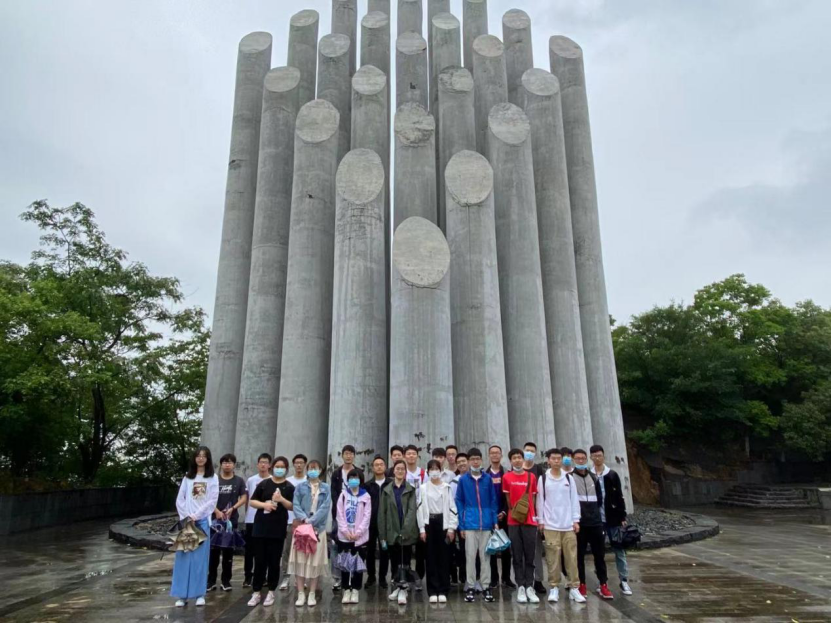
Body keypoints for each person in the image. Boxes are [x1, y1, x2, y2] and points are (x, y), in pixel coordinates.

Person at [171, 446, 219, 608]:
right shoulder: (188, 477)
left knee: (200, 560)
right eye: (198, 455)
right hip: (187, 523)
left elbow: (212, 501)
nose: (200, 458)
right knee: (183, 558)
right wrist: (186, 516)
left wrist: (196, 516)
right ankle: (182, 595)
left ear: (208, 459)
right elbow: (180, 499)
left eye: (204, 456)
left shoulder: (212, 478)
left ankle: (199, 594)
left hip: (202, 522)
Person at [536, 448, 585, 604]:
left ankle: (574, 587)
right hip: (550, 525)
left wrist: (575, 520)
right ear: (548, 461)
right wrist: (541, 521)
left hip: (568, 525)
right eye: (553, 458)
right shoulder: (543, 479)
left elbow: (574, 499)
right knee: (553, 558)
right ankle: (554, 587)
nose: (556, 461)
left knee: (572, 558)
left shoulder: (568, 478)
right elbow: (540, 501)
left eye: (559, 458)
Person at [247, 456, 295, 607]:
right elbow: (252, 501)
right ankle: (256, 592)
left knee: (274, 561)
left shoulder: (289, 487)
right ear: (272, 467)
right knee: (259, 560)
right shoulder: (264, 484)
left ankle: (271, 591)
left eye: (282, 467)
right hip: (261, 527)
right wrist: (264, 505)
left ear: (286, 469)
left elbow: (293, 506)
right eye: (277, 466)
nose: (279, 469)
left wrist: (281, 500)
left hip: (278, 528)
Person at [456, 448, 499, 603]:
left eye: (477, 459)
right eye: (472, 459)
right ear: (469, 461)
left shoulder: (487, 479)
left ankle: (486, 586)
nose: (475, 461)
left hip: (486, 524)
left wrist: (494, 521)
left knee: (485, 557)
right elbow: (459, 501)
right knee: (470, 557)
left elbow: (493, 501)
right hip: (470, 523)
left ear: (481, 460)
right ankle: (471, 586)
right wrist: (462, 525)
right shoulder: (463, 480)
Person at [590, 444, 632, 596]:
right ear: (591, 457)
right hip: (597, 520)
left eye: (599, 455)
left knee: (619, 550)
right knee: (598, 553)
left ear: (604, 456)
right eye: (594, 456)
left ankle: (624, 580)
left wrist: (622, 516)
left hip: (613, 518)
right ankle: (602, 581)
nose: (597, 458)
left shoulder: (612, 475)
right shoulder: (589, 475)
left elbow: (619, 496)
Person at [289, 460, 331, 608]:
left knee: (315, 561)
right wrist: (304, 519)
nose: (313, 470)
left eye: (315, 468)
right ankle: (301, 593)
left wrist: (312, 521)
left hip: (318, 529)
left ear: (320, 470)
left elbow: (325, 507)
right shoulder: (300, 487)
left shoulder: (325, 487)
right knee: (300, 560)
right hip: (302, 528)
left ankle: (312, 592)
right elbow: (296, 504)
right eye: (310, 468)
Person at [378, 460, 420, 606]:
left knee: (405, 562)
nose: (400, 471)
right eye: (398, 469)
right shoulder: (386, 490)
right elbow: (382, 514)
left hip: (406, 532)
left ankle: (404, 589)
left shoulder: (410, 489)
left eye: (403, 469)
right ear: (393, 471)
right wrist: (383, 536)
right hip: (391, 532)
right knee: (395, 562)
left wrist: (405, 530)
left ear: (405, 472)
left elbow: (412, 511)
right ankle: (397, 587)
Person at [572, 449, 612, 599]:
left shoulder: (593, 477)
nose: (581, 461)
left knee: (599, 555)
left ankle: (603, 584)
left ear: (586, 459)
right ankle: (581, 584)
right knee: (579, 556)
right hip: (580, 523)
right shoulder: (570, 478)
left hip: (595, 522)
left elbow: (600, 499)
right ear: (574, 460)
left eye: (583, 458)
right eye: (578, 459)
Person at [417, 459, 458, 603]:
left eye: (436, 468)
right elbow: (420, 509)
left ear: (441, 471)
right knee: (430, 557)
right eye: (431, 469)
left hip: (443, 524)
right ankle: (432, 590)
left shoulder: (446, 487)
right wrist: (422, 529)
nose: (434, 471)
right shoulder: (423, 488)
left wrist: (451, 528)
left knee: (444, 557)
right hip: (429, 523)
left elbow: (452, 508)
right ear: (428, 471)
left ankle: (443, 589)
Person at [503, 448, 539, 603]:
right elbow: (508, 499)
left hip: (530, 521)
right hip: (514, 521)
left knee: (530, 555)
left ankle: (530, 585)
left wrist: (531, 514)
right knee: (517, 555)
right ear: (510, 461)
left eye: (519, 457)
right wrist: (516, 512)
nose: (517, 460)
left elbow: (534, 499)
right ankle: (521, 586)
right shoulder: (506, 477)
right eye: (514, 458)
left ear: (523, 459)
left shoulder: (531, 477)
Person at [208, 453, 247, 593]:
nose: (227, 465)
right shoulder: (214, 480)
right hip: (214, 521)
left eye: (230, 462)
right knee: (213, 552)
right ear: (221, 464)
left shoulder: (239, 481)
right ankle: (211, 581)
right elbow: (208, 498)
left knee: (228, 552)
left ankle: (226, 581)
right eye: (224, 462)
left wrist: (233, 508)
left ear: (234, 465)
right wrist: (216, 511)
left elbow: (244, 497)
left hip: (231, 521)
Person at [330, 445, 363, 592]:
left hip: (355, 515)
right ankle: (338, 577)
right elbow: (334, 493)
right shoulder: (336, 473)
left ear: (354, 456)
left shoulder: (359, 472)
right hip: (339, 514)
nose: (348, 456)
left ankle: (353, 577)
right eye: (346, 453)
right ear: (342, 455)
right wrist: (340, 510)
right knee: (337, 545)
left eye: (351, 454)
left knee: (354, 546)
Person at [336, 468, 372, 604]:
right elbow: (339, 514)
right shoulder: (343, 495)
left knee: (358, 563)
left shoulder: (366, 496)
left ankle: (356, 589)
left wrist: (358, 533)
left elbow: (367, 516)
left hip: (359, 537)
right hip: (344, 536)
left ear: (360, 480)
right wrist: (345, 531)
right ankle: (346, 589)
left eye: (356, 478)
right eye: (351, 478)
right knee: (345, 563)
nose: (353, 480)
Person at [521, 441, 547, 595]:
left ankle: (538, 580)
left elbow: (542, 494)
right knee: (520, 550)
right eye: (527, 450)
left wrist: (541, 517)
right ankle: (524, 580)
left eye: (532, 451)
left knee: (536, 549)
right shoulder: (517, 469)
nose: (529, 453)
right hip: (519, 515)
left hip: (535, 515)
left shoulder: (539, 470)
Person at [487, 444, 514, 589]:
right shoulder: (485, 475)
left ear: (501, 455)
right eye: (492, 453)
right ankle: (493, 578)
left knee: (506, 549)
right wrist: (492, 514)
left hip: (505, 515)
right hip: (489, 517)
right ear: (489, 456)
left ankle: (506, 578)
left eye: (497, 453)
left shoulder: (507, 474)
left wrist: (504, 511)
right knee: (491, 548)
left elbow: (510, 496)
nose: (495, 455)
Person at [279, 453, 307, 591]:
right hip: (290, 521)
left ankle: (301, 578)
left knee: (303, 551)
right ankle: (286, 576)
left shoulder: (308, 481)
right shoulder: (287, 482)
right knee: (287, 550)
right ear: (293, 465)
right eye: (297, 463)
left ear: (305, 465)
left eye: (301, 463)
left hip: (305, 522)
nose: (299, 465)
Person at [243, 453, 271, 588]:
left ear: (269, 465)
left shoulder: (272, 480)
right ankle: (248, 576)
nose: (263, 465)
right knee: (249, 550)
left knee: (263, 550)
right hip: (251, 519)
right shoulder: (251, 480)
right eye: (261, 462)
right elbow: (247, 498)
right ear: (257, 464)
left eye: (266, 462)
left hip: (266, 519)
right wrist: (247, 514)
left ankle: (262, 576)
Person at [365, 455, 392, 589]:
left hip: (386, 523)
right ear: (372, 468)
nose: (379, 467)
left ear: (385, 467)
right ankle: (371, 576)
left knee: (384, 550)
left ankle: (382, 577)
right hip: (370, 523)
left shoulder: (390, 484)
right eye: (376, 465)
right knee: (369, 550)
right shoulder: (368, 485)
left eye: (381, 464)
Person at [403, 444, 427, 590]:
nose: (411, 456)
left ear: (417, 456)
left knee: (420, 548)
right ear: (404, 456)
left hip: (421, 513)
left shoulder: (423, 473)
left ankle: (419, 577)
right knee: (405, 547)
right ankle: (405, 576)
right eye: (408, 453)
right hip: (406, 514)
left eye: (413, 453)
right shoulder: (402, 472)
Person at [449, 451, 468, 586]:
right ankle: (462, 575)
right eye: (459, 462)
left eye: (463, 461)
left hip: (473, 519)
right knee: (461, 548)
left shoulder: (476, 478)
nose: (461, 464)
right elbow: (453, 503)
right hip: (459, 519)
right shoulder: (454, 482)